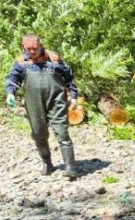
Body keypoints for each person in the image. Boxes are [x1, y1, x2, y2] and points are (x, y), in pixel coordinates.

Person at [5, 34, 79, 179]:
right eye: (28, 49)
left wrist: (74, 96)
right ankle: (47, 162)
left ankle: (70, 167)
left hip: (56, 100)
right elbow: (13, 79)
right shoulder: (21, 62)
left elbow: (69, 79)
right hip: (34, 103)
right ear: (23, 47)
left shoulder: (54, 59)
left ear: (41, 45)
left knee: (62, 131)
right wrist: (10, 94)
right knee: (39, 133)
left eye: (34, 48)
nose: (32, 52)